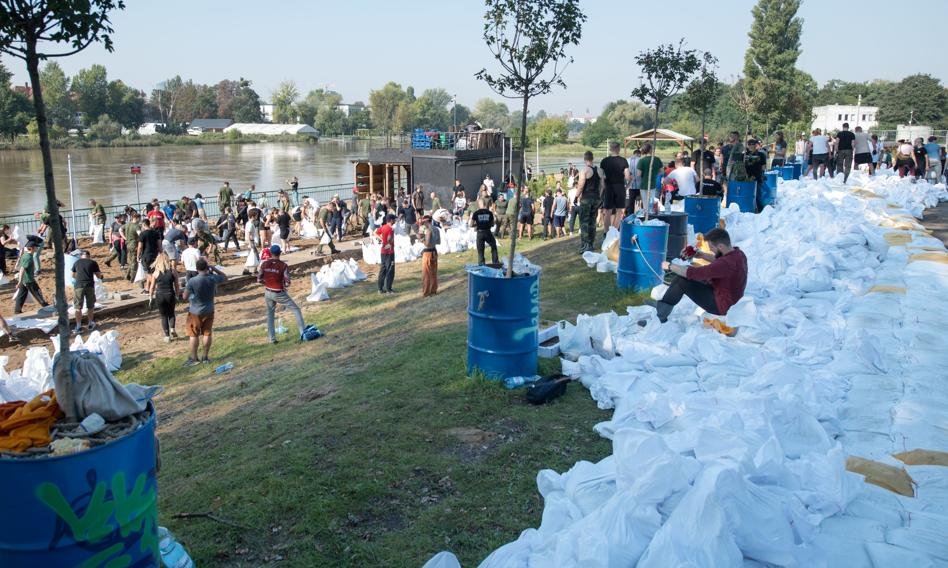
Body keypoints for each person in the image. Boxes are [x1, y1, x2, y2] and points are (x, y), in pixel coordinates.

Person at [653, 228, 747, 323]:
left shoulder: (724, 264)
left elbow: (693, 273)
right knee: (685, 271)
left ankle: (659, 318)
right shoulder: (738, 254)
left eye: (712, 248)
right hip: (731, 300)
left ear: (721, 246)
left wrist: (670, 266)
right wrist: (701, 255)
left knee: (681, 281)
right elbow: (720, 262)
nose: (711, 251)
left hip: (721, 305)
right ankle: (663, 306)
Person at [257, 245, 306, 344]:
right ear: (280, 253)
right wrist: (283, 286)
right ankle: (303, 334)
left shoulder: (264, 264)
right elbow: (287, 282)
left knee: (270, 314)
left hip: (267, 292)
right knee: (296, 310)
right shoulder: (283, 266)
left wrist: (267, 283)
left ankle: (272, 339)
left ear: (270, 253)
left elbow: (259, 280)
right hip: (278, 292)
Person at [182, 258, 227, 365]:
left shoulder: (192, 281)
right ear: (207, 268)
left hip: (195, 311)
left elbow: (184, 296)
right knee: (207, 333)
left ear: (197, 269)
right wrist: (214, 268)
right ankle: (205, 357)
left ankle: (193, 358)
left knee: (193, 334)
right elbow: (225, 277)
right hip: (209, 309)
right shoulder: (212, 278)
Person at [147, 252, 181, 342]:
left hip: (160, 295)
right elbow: (177, 285)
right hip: (170, 294)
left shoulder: (156, 273)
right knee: (171, 313)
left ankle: (167, 336)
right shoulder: (173, 271)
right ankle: (172, 328)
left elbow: (152, 287)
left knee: (163, 316)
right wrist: (177, 296)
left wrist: (150, 297)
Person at [600, 141, 631, 229]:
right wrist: (628, 184)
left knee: (607, 211)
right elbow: (628, 177)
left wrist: (603, 186)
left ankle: (606, 233)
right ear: (618, 149)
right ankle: (615, 231)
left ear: (610, 149)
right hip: (620, 187)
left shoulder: (604, 161)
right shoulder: (623, 161)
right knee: (619, 210)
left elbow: (601, 177)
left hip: (609, 187)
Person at [71, 249, 102, 333]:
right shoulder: (93, 263)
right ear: (89, 256)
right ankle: (90, 323)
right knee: (90, 306)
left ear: (81, 256)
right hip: (89, 286)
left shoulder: (76, 262)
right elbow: (98, 276)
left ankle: (78, 326)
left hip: (79, 286)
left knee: (78, 307)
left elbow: (73, 275)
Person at [13, 241, 49, 314]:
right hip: (29, 280)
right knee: (38, 293)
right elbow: (22, 269)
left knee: (21, 295)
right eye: (36, 247)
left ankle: (17, 310)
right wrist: (19, 281)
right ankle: (45, 306)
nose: (37, 248)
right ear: (32, 248)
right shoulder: (28, 258)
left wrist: (21, 281)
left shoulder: (25, 255)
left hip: (25, 280)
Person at [576, 151, 602, 252]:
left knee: (584, 222)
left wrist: (576, 196)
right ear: (592, 158)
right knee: (592, 221)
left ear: (584, 159)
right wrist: (599, 196)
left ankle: (585, 245)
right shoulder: (599, 170)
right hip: (596, 198)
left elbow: (581, 184)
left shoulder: (584, 170)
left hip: (586, 198)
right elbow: (602, 186)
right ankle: (591, 244)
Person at [470, 199, 499, 265]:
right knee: (493, 245)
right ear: (485, 204)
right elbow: (492, 224)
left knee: (480, 250)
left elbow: (471, 225)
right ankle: (495, 262)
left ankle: (481, 264)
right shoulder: (489, 213)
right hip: (488, 232)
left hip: (480, 233)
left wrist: (478, 224)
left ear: (479, 204)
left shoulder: (476, 213)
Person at [636, 144, 664, 209]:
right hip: (653, 184)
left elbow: (638, 174)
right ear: (651, 150)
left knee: (645, 204)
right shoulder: (657, 159)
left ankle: (646, 216)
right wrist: (655, 173)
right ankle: (652, 216)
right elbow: (662, 172)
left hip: (643, 185)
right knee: (653, 203)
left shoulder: (641, 160)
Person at [743, 139, 768, 211]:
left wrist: (763, 175)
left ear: (755, 145)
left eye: (753, 144)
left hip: (757, 176)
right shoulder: (744, 155)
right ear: (748, 145)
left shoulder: (761, 154)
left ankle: (760, 210)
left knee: (758, 195)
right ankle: (749, 208)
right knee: (747, 194)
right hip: (747, 177)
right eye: (750, 144)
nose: (751, 146)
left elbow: (763, 166)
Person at [376, 213, 396, 294]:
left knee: (383, 270)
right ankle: (389, 289)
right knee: (390, 270)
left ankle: (380, 289)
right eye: (394, 219)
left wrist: (381, 239)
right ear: (391, 220)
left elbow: (376, 232)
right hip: (389, 252)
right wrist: (390, 243)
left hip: (383, 252)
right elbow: (389, 239)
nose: (395, 220)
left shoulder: (383, 227)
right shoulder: (390, 229)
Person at [419, 215, 438, 297]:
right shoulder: (436, 229)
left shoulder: (428, 230)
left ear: (426, 221)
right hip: (434, 251)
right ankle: (433, 290)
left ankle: (426, 292)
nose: (423, 224)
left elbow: (426, 243)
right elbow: (438, 241)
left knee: (426, 274)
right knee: (433, 273)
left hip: (427, 253)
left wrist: (421, 239)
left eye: (423, 222)